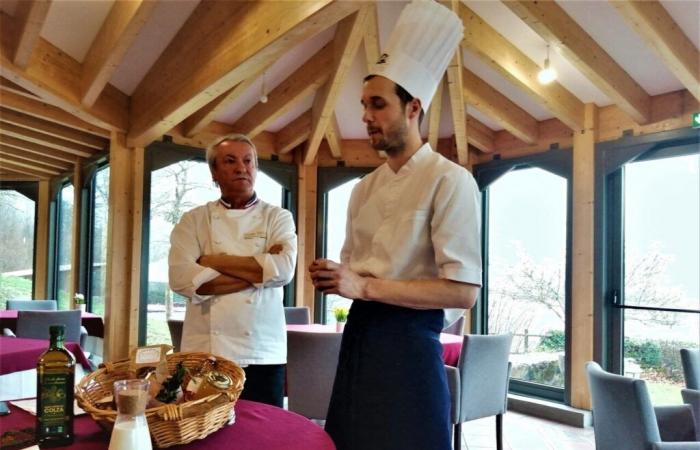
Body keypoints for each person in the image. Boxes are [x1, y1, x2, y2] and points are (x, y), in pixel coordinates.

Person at [308, 1, 480, 449]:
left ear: (412, 108)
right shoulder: (363, 189)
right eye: (364, 105)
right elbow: (355, 275)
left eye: (378, 104)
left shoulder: (450, 180)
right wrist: (339, 278)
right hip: (359, 340)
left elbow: (462, 292)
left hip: (411, 347)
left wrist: (364, 287)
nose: (365, 116)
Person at [168, 133, 297, 407]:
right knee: (205, 435)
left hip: (262, 350)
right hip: (205, 352)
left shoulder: (278, 217)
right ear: (214, 172)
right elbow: (182, 280)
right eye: (230, 161)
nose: (242, 168)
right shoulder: (194, 220)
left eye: (249, 161)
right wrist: (259, 269)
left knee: (263, 437)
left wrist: (212, 261)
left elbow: (283, 271)